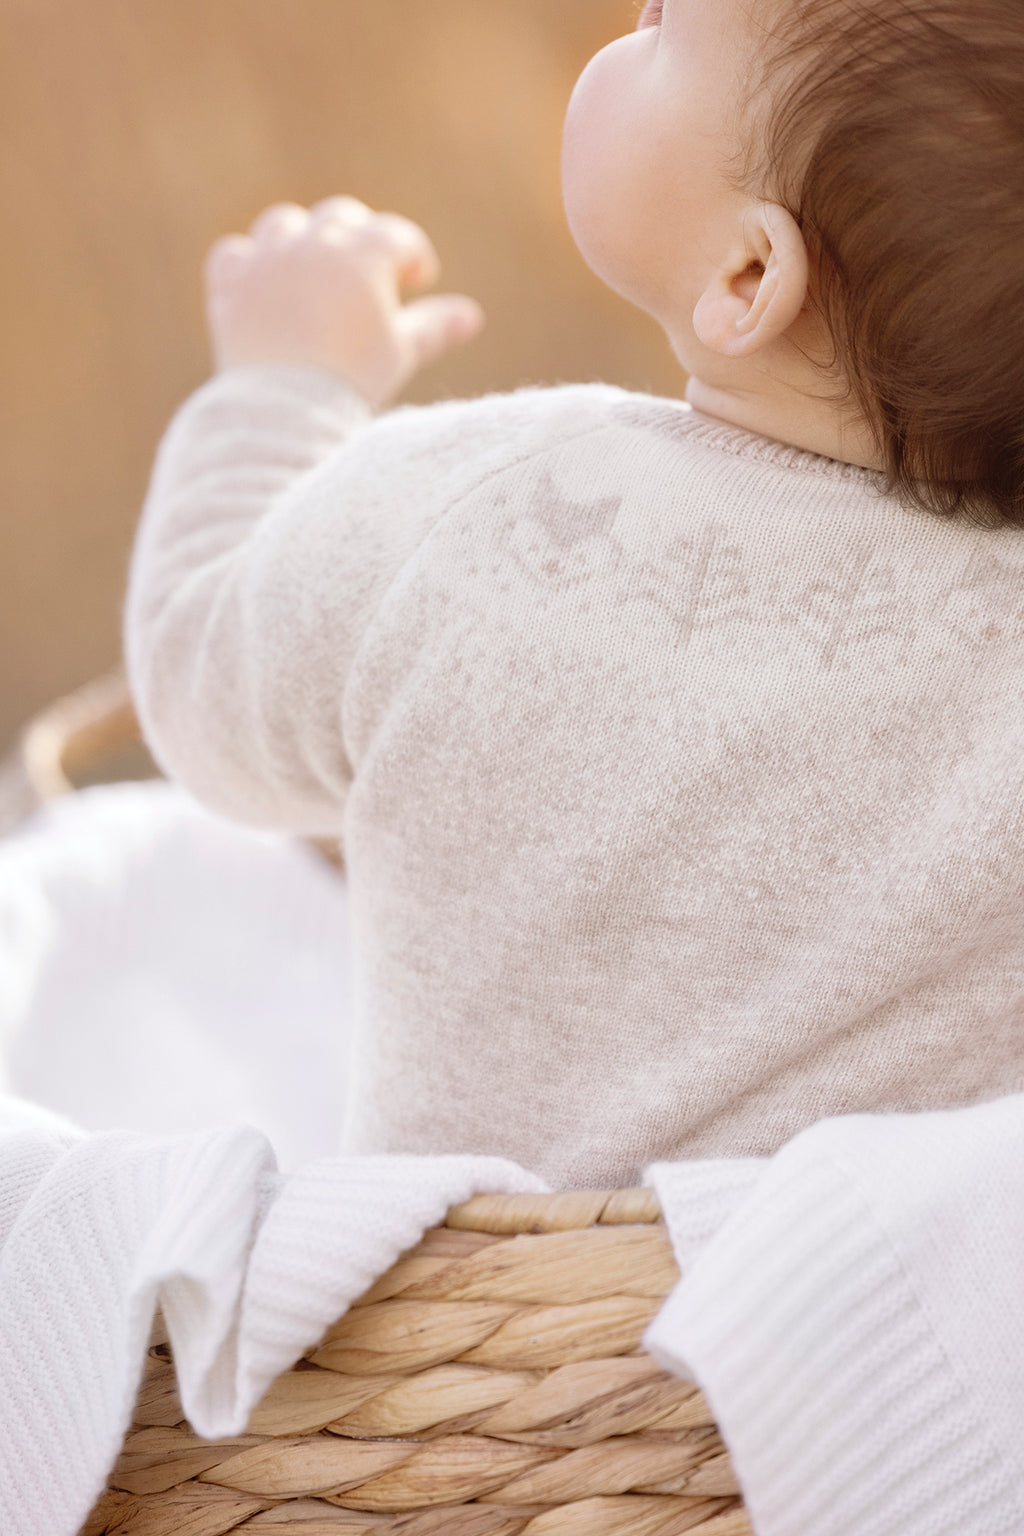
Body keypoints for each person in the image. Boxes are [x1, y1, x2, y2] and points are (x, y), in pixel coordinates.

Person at [126, 0, 1024, 1194]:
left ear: (749, 272)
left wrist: (284, 384)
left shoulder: (486, 518)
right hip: (852, 1363)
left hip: (457, 1356)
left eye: (665, 22)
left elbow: (199, 666)